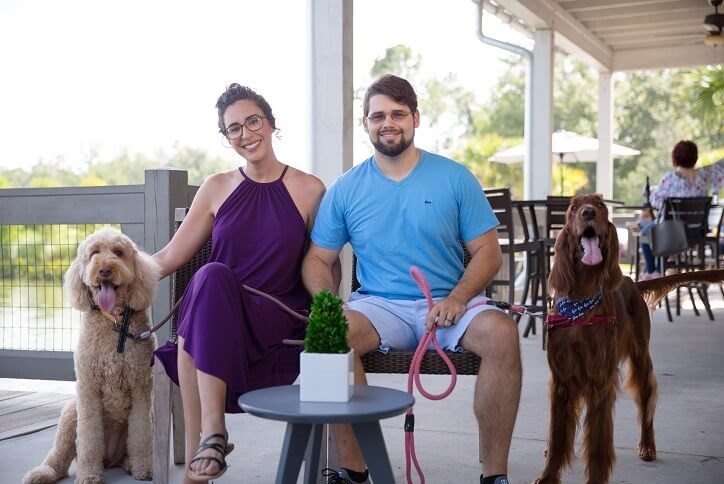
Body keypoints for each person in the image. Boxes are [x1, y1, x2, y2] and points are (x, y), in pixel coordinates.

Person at [302, 74, 521, 484]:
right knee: (330, 334)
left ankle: (495, 475)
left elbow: (489, 253)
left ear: (415, 118)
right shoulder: (346, 188)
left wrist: (457, 298)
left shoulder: (454, 177)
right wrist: (328, 301)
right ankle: (354, 471)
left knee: (502, 334)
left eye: (398, 113)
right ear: (365, 123)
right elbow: (317, 259)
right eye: (378, 115)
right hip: (379, 305)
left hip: (451, 303)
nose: (388, 122)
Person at [153, 83, 327, 483]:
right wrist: (115, 271)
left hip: (275, 320)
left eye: (253, 121)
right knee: (210, 277)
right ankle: (212, 436)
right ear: (226, 138)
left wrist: (331, 311)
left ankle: (207, 441)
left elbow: (322, 262)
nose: (246, 134)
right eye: (234, 129)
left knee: (202, 299)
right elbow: (169, 257)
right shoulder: (216, 187)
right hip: (217, 311)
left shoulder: (310, 188)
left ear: (271, 124)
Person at [640, 140, 723, 279]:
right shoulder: (704, 175)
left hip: (673, 232)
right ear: (695, 157)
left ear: (675, 157)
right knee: (654, 228)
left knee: (645, 231)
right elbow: (720, 167)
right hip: (697, 232)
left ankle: (653, 271)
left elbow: (655, 201)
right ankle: (667, 262)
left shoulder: (670, 179)